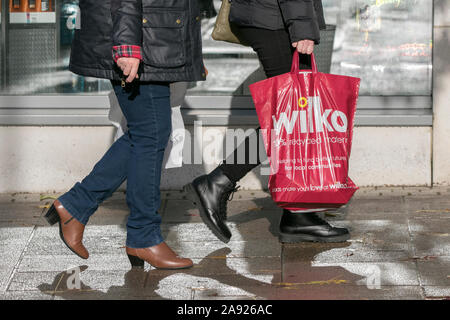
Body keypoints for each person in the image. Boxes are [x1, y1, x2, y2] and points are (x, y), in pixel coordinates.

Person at [44, 0, 206, 269]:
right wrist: (127, 44)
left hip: (151, 33)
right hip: (138, 36)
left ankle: (77, 206)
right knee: (151, 133)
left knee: (148, 133)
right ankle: (142, 235)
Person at [184, 0, 350, 244]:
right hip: (275, 18)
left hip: (272, 15)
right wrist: (302, 26)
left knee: (293, 118)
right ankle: (218, 183)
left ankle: (298, 214)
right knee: (292, 117)